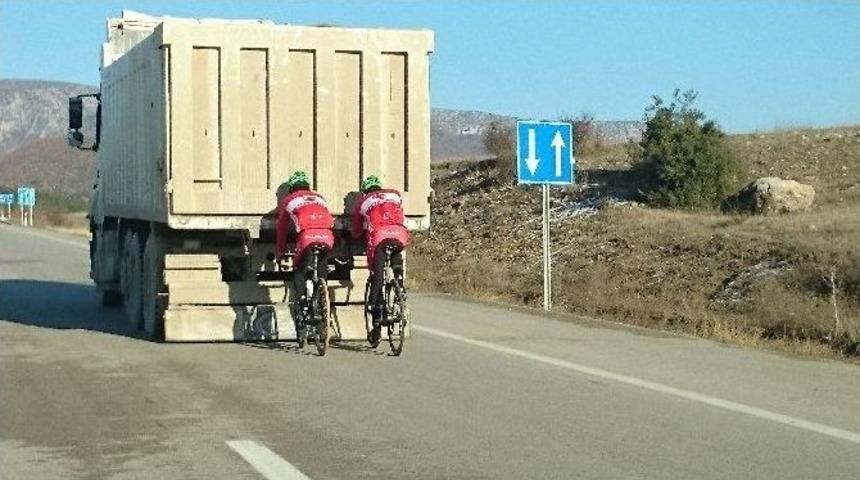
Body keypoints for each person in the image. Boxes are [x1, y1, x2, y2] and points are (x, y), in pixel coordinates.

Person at [351, 175, 410, 341]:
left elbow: (357, 228)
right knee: (396, 258)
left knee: (377, 274)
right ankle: (399, 284)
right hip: (400, 234)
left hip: (380, 236)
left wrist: (356, 235)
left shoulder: (363, 202)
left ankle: (374, 305)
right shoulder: (394, 194)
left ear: (365, 191)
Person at [276, 171, 335, 319]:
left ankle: (303, 302)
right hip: (327, 236)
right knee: (322, 268)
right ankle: (323, 300)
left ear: (291, 188)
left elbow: (282, 227)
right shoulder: (319, 198)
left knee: (299, 269)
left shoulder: (289, 200)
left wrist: (281, 249)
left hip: (307, 236)